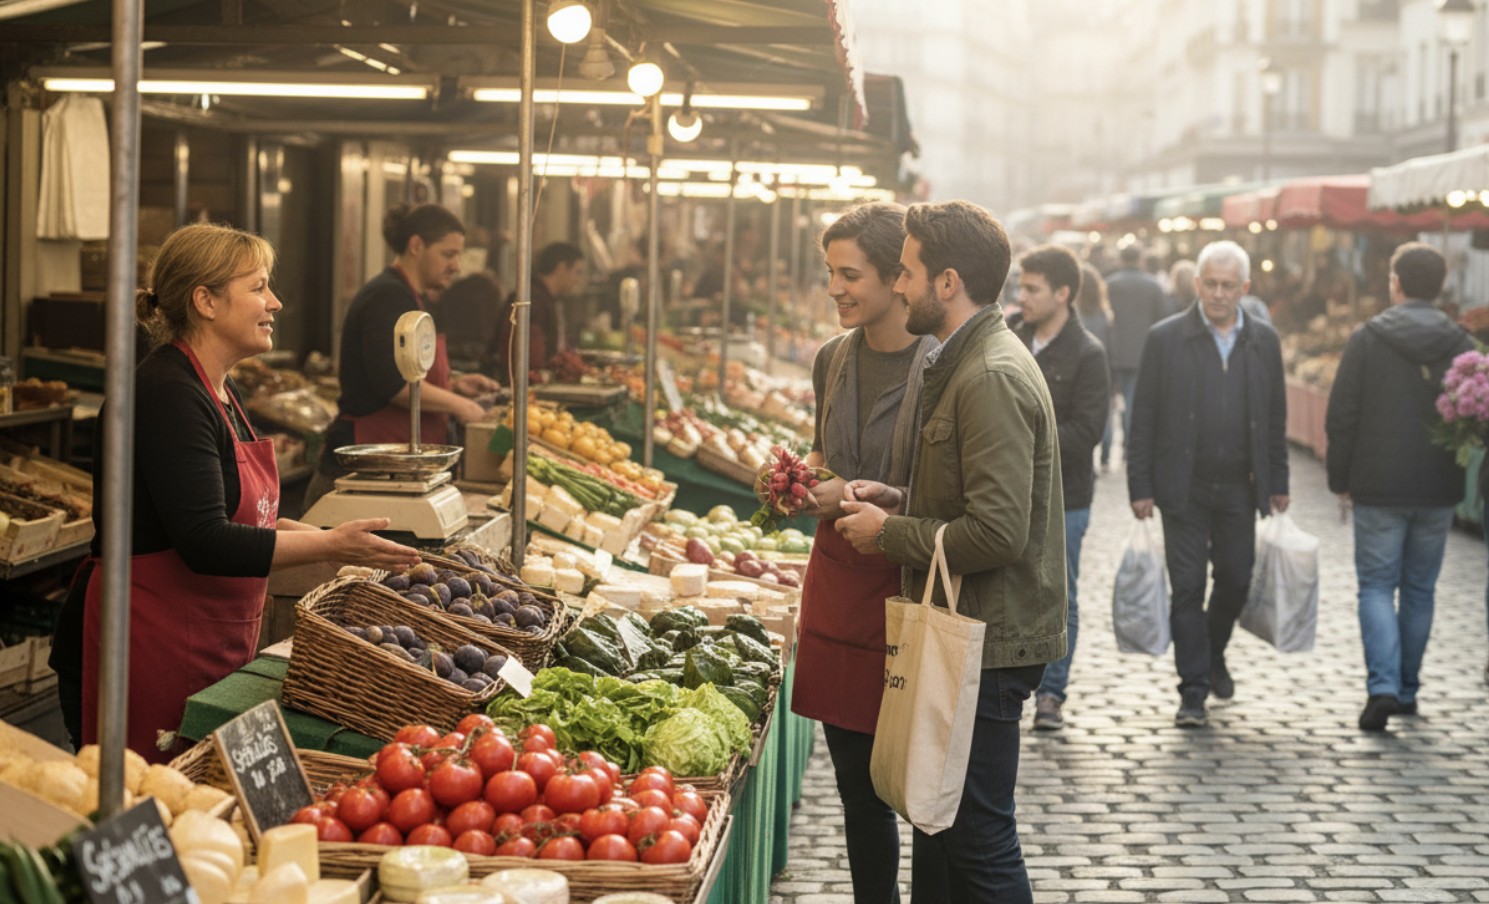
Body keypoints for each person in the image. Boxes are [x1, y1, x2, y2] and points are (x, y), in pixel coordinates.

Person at [48, 224, 421, 761]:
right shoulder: (169, 396)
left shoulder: (221, 389)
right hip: (140, 642)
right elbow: (207, 540)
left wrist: (342, 545)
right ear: (205, 301)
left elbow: (250, 521)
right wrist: (332, 545)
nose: (276, 302)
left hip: (197, 637)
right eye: (258, 287)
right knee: (150, 809)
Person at [835, 200, 1066, 902]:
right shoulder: (967, 362)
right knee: (962, 835)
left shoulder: (988, 375)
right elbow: (980, 501)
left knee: (979, 841)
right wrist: (904, 502)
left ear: (946, 281)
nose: (896, 285)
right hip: (980, 632)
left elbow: (998, 533)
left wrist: (889, 535)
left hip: (988, 641)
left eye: (904, 271)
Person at [791, 202, 935, 904]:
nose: (836, 289)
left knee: (923, 786)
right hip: (838, 588)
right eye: (830, 274)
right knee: (857, 786)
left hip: (910, 587)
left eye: (850, 274)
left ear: (892, 277)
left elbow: (954, 492)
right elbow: (824, 456)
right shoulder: (832, 359)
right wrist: (804, 480)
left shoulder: (939, 366)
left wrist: (892, 501)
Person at [1127, 240, 1289, 727]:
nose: (1218, 294)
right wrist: (1140, 485)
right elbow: (1144, 416)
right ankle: (1192, 690)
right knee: (1187, 588)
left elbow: (1275, 414)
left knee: (1236, 579)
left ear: (1244, 288)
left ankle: (1213, 651)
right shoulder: (1166, 338)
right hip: (1184, 487)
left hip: (1241, 485)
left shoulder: (1264, 340)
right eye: (1210, 284)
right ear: (1196, 285)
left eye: (1228, 286)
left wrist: (1277, 478)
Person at [1324, 242, 1474, 731]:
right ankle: (1407, 690)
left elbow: (1342, 414)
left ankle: (1382, 686)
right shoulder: (1462, 343)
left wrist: (1340, 479)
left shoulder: (1368, 338)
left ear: (1395, 283)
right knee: (1419, 590)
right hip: (1437, 485)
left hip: (1377, 483)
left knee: (1374, 586)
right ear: (1441, 287)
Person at [306, 204, 497, 507]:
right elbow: (393, 383)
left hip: (393, 470)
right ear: (416, 246)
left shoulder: (412, 296)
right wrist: (461, 405)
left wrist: (454, 383)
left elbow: (411, 368)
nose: (457, 265)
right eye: (448, 254)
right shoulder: (388, 297)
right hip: (365, 465)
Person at [1010, 246, 1110, 731]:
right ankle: (1008, 683)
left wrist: (1020, 445)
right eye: (1021, 287)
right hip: (1006, 494)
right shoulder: (1009, 338)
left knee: (1059, 594)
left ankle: (1052, 693)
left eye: (1032, 289)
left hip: (1066, 497)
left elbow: (1087, 430)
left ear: (1063, 293)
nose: (1021, 296)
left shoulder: (1088, 353)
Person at [489, 241, 585, 382]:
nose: (577, 280)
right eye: (577, 272)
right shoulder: (531, 300)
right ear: (561, 268)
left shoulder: (548, 299)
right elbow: (532, 361)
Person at [1106, 245, 1168, 453]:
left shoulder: (1110, 284)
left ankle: (1120, 439)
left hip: (1115, 350)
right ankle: (1129, 440)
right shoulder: (1153, 285)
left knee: (1116, 398)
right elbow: (1162, 319)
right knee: (1134, 397)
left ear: (1121, 260)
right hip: (1143, 351)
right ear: (1141, 259)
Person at [1078, 262, 1117, 472]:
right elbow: (1111, 348)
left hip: (1081, 371)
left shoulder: (1076, 316)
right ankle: (1106, 457)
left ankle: (1092, 458)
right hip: (1104, 369)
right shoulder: (1105, 316)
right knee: (1106, 415)